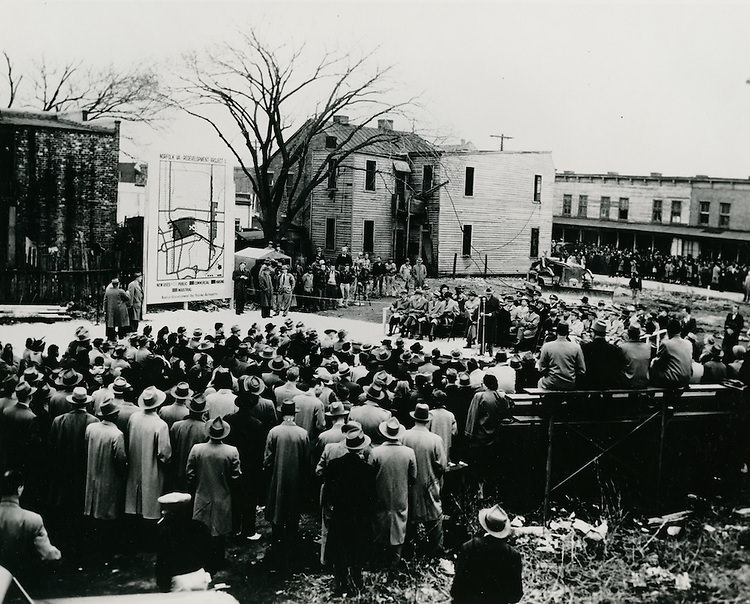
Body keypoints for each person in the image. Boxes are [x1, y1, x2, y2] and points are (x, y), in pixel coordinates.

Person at [323, 428, 376, 595]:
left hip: (341, 514)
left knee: (340, 548)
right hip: (359, 516)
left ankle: (340, 582)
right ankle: (357, 581)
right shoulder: (367, 470)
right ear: (361, 448)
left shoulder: (334, 465)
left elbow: (329, 490)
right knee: (356, 548)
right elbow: (371, 496)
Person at [186, 416, 241, 573]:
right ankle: (218, 562)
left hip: (202, 494)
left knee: (202, 530)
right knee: (220, 532)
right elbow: (236, 476)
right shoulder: (231, 451)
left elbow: (190, 473)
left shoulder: (197, 449)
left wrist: (194, 487)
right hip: (222, 495)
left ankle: (203, 561)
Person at [264, 400, 310, 569]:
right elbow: (306, 458)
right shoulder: (303, 433)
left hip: (278, 473)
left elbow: (268, 457)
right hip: (296, 474)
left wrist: (267, 469)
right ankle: (292, 531)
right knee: (293, 501)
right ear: (294, 414)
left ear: (282, 413)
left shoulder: (274, 432)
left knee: (277, 500)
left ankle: (277, 533)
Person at [451, 504, 523, 604]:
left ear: (485, 525)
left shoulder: (468, 547)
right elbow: (515, 596)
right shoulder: (513, 555)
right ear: (503, 528)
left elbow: (456, 590)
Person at [369, 418, 416, 567]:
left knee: (379, 522)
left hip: (380, 493)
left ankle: (379, 559)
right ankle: (395, 560)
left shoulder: (375, 452)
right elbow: (413, 476)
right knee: (400, 523)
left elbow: (370, 474)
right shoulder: (409, 452)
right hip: (400, 493)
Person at [402, 403, 447, 556]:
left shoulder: (404, 436)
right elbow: (442, 465)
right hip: (429, 483)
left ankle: (409, 550)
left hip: (409, 484)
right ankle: (436, 551)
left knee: (409, 518)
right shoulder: (435, 439)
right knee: (434, 517)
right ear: (428, 420)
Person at [0, 470, 61, 580]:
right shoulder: (33, 519)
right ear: (20, 488)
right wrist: (57, 554)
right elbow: (48, 554)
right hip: (23, 583)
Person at [84, 399, 127, 546]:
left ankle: (92, 539)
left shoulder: (91, 428)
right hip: (109, 476)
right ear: (115, 415)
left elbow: (86, 446)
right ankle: (105, 544)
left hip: (93, 472)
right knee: (108, 510)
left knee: (93, 507)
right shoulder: (117, 434)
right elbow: (120, 459)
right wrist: (123, 474)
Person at [125, 387, 172, 523]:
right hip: (152, 468)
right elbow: (165, 454)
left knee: (134, 501)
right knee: (150, 503)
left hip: (134, 463)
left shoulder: (134, 418)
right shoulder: (160, 425)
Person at [465, 374, 510, 498]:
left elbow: (472, 416)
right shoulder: (500, 397)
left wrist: (468, 434)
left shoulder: (479, 396)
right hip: (493, 436)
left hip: (479, 437)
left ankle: (478, 492)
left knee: (477, 467)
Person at [169, 395, 208, 492]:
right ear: (203, 412)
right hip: (196, 472)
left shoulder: (176, 426)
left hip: (177, 468)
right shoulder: (205, 429)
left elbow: (171, 449)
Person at [536, 322, 586, 390]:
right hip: (570, 383)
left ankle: (544, 400)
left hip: (552, 382)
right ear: (567, 334)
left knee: (540, 382)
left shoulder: (547, 346)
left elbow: (541, 368)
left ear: (556, 332)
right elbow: (582, 370)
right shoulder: (576, 347)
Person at [579, 319, 626, 389]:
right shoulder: (614, 349)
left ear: (593, 333)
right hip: (609, 383)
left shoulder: (585, 348)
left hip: (590, 382)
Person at [650, 319, 693, 388]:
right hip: (686, 379)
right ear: (680, 331)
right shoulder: (689, 343)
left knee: (653, 365)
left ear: (668, 331)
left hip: (672, 380)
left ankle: (650, 393)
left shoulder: (666, 344)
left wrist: (653, 361)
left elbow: (659, 362)